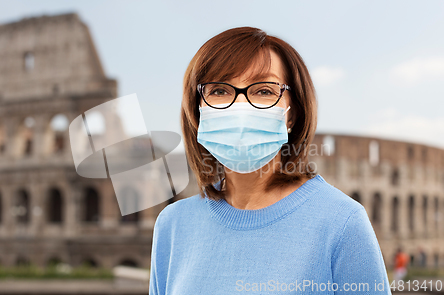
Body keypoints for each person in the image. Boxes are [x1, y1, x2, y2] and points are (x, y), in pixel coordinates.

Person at [149, 27, 392, 294]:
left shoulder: (342, 223)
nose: (240, 106)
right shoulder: (172, 225)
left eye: (264, 90)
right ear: (197, 108)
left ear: (292, 114)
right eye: (219, 90)